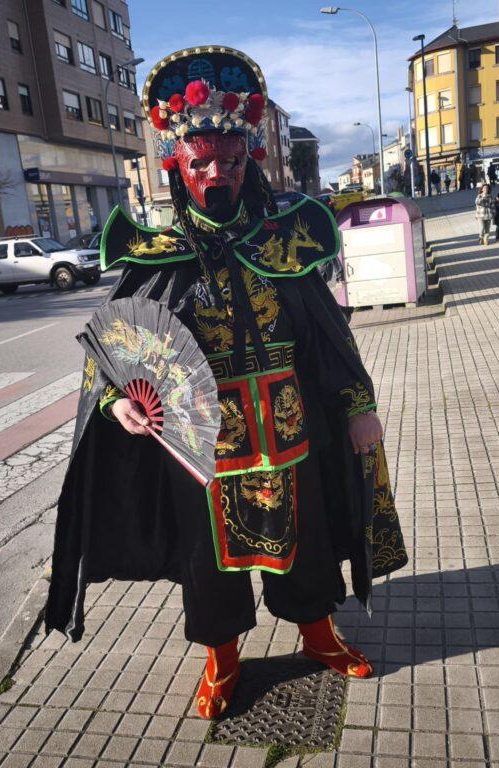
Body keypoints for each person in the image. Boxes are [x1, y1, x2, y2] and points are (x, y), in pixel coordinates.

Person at [45, 45, 408, 721]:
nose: (218, 175)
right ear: (176, 167)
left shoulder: (283, 245)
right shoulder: (157, 257)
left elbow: (330, 334)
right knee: (207, 557)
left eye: (232, 163)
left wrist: (359, 404)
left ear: (251, 163)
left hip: (291, 430)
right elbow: (116, 353)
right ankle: (222, 655)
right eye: (202, 163)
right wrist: (118, 402)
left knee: (307, 537)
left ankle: (318, 632)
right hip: (200, 444)